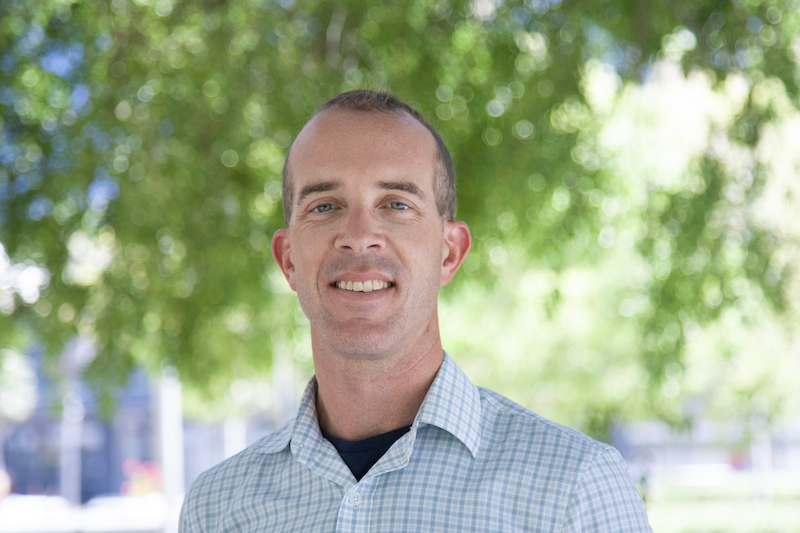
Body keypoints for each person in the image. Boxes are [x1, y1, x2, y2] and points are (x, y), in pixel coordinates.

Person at [179, 90, 652, 532]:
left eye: (396, 204)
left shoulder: (574, 489)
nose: (359, 234)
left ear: (449, 253)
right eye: (324, 206)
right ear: (288, 261)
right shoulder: (216, 510)